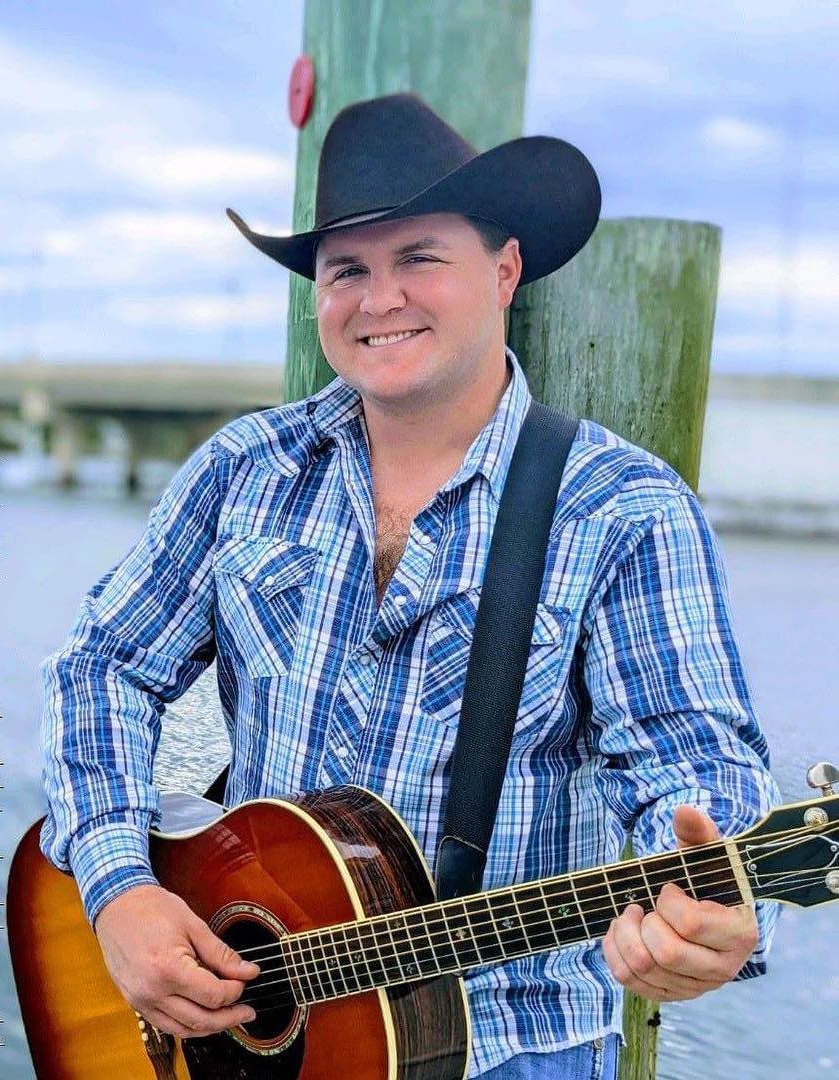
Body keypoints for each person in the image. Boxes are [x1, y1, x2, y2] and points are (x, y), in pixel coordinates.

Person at [39, 93, 780, 1080]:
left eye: (420, 257)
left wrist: (713, 916)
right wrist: (120, 886)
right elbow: (103, 665)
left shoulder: (623, 508)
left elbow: (697, 781)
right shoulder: (245, 470)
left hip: (510, 1049)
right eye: (347, 270)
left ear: (505, 267)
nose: (378, 300)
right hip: (247, 1045)